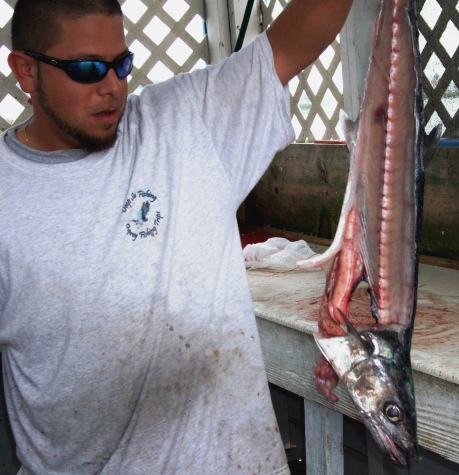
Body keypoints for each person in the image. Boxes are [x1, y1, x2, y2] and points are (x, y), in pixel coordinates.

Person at [1, 0, 353, 473]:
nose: (112, 87)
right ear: (25, 71)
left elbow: (299, 35)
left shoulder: (184, 123)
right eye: (86, 69)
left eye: (122, 65)